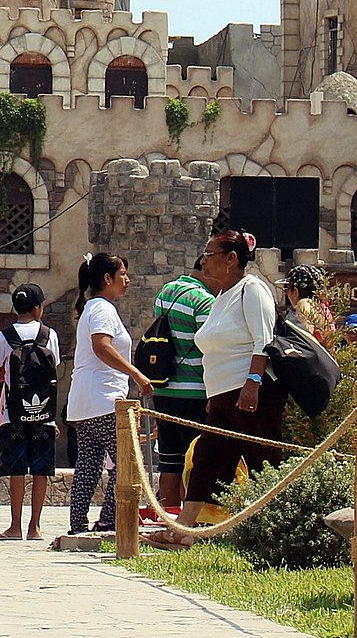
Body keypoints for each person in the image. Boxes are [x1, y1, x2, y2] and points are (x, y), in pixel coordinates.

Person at [145, 230, 286, 549]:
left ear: (231, 259)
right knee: (206, 463)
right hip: (222, 398)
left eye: (210, 254)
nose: (204, 260)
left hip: (249, 393)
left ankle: (281, 530)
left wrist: (253, 384)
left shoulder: (252, 290)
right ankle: (183, 531)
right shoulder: (222, 296)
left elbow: (263, 340)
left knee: (264, 461)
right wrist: (214, 396)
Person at [66, 252, 153, 536]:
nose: (127, 280)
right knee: (128, 461)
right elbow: (101, 346)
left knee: (89, 465)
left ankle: (78, 524)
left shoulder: (92, 308)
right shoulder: (102, 309)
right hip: (104, 400)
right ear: (107, 278)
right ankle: (108, 519)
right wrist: (136, 374)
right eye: (123, 274)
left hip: (86, 402)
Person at [0, 283, 61, 541]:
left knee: (17, 469)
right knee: (41, 469)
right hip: (43, 412)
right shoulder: (48, 334)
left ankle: (14, 526)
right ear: (37, 308)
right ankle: (35, 527)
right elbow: (54, 367)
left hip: (12, 413)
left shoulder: (3, 336)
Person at [150, 260, 214, 510]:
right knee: (193, 460)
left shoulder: (164, 292)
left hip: (164, 389)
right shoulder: (203, 300)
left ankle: (166, 517)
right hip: (195, 392)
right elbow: (208, 347)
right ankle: (189, 519)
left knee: (169, 460)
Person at [279, 264, 334, 342]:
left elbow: (303, 338)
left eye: (286, 288)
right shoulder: (322, 308)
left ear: (295, 292)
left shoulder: (304, 304)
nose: (286, 294)